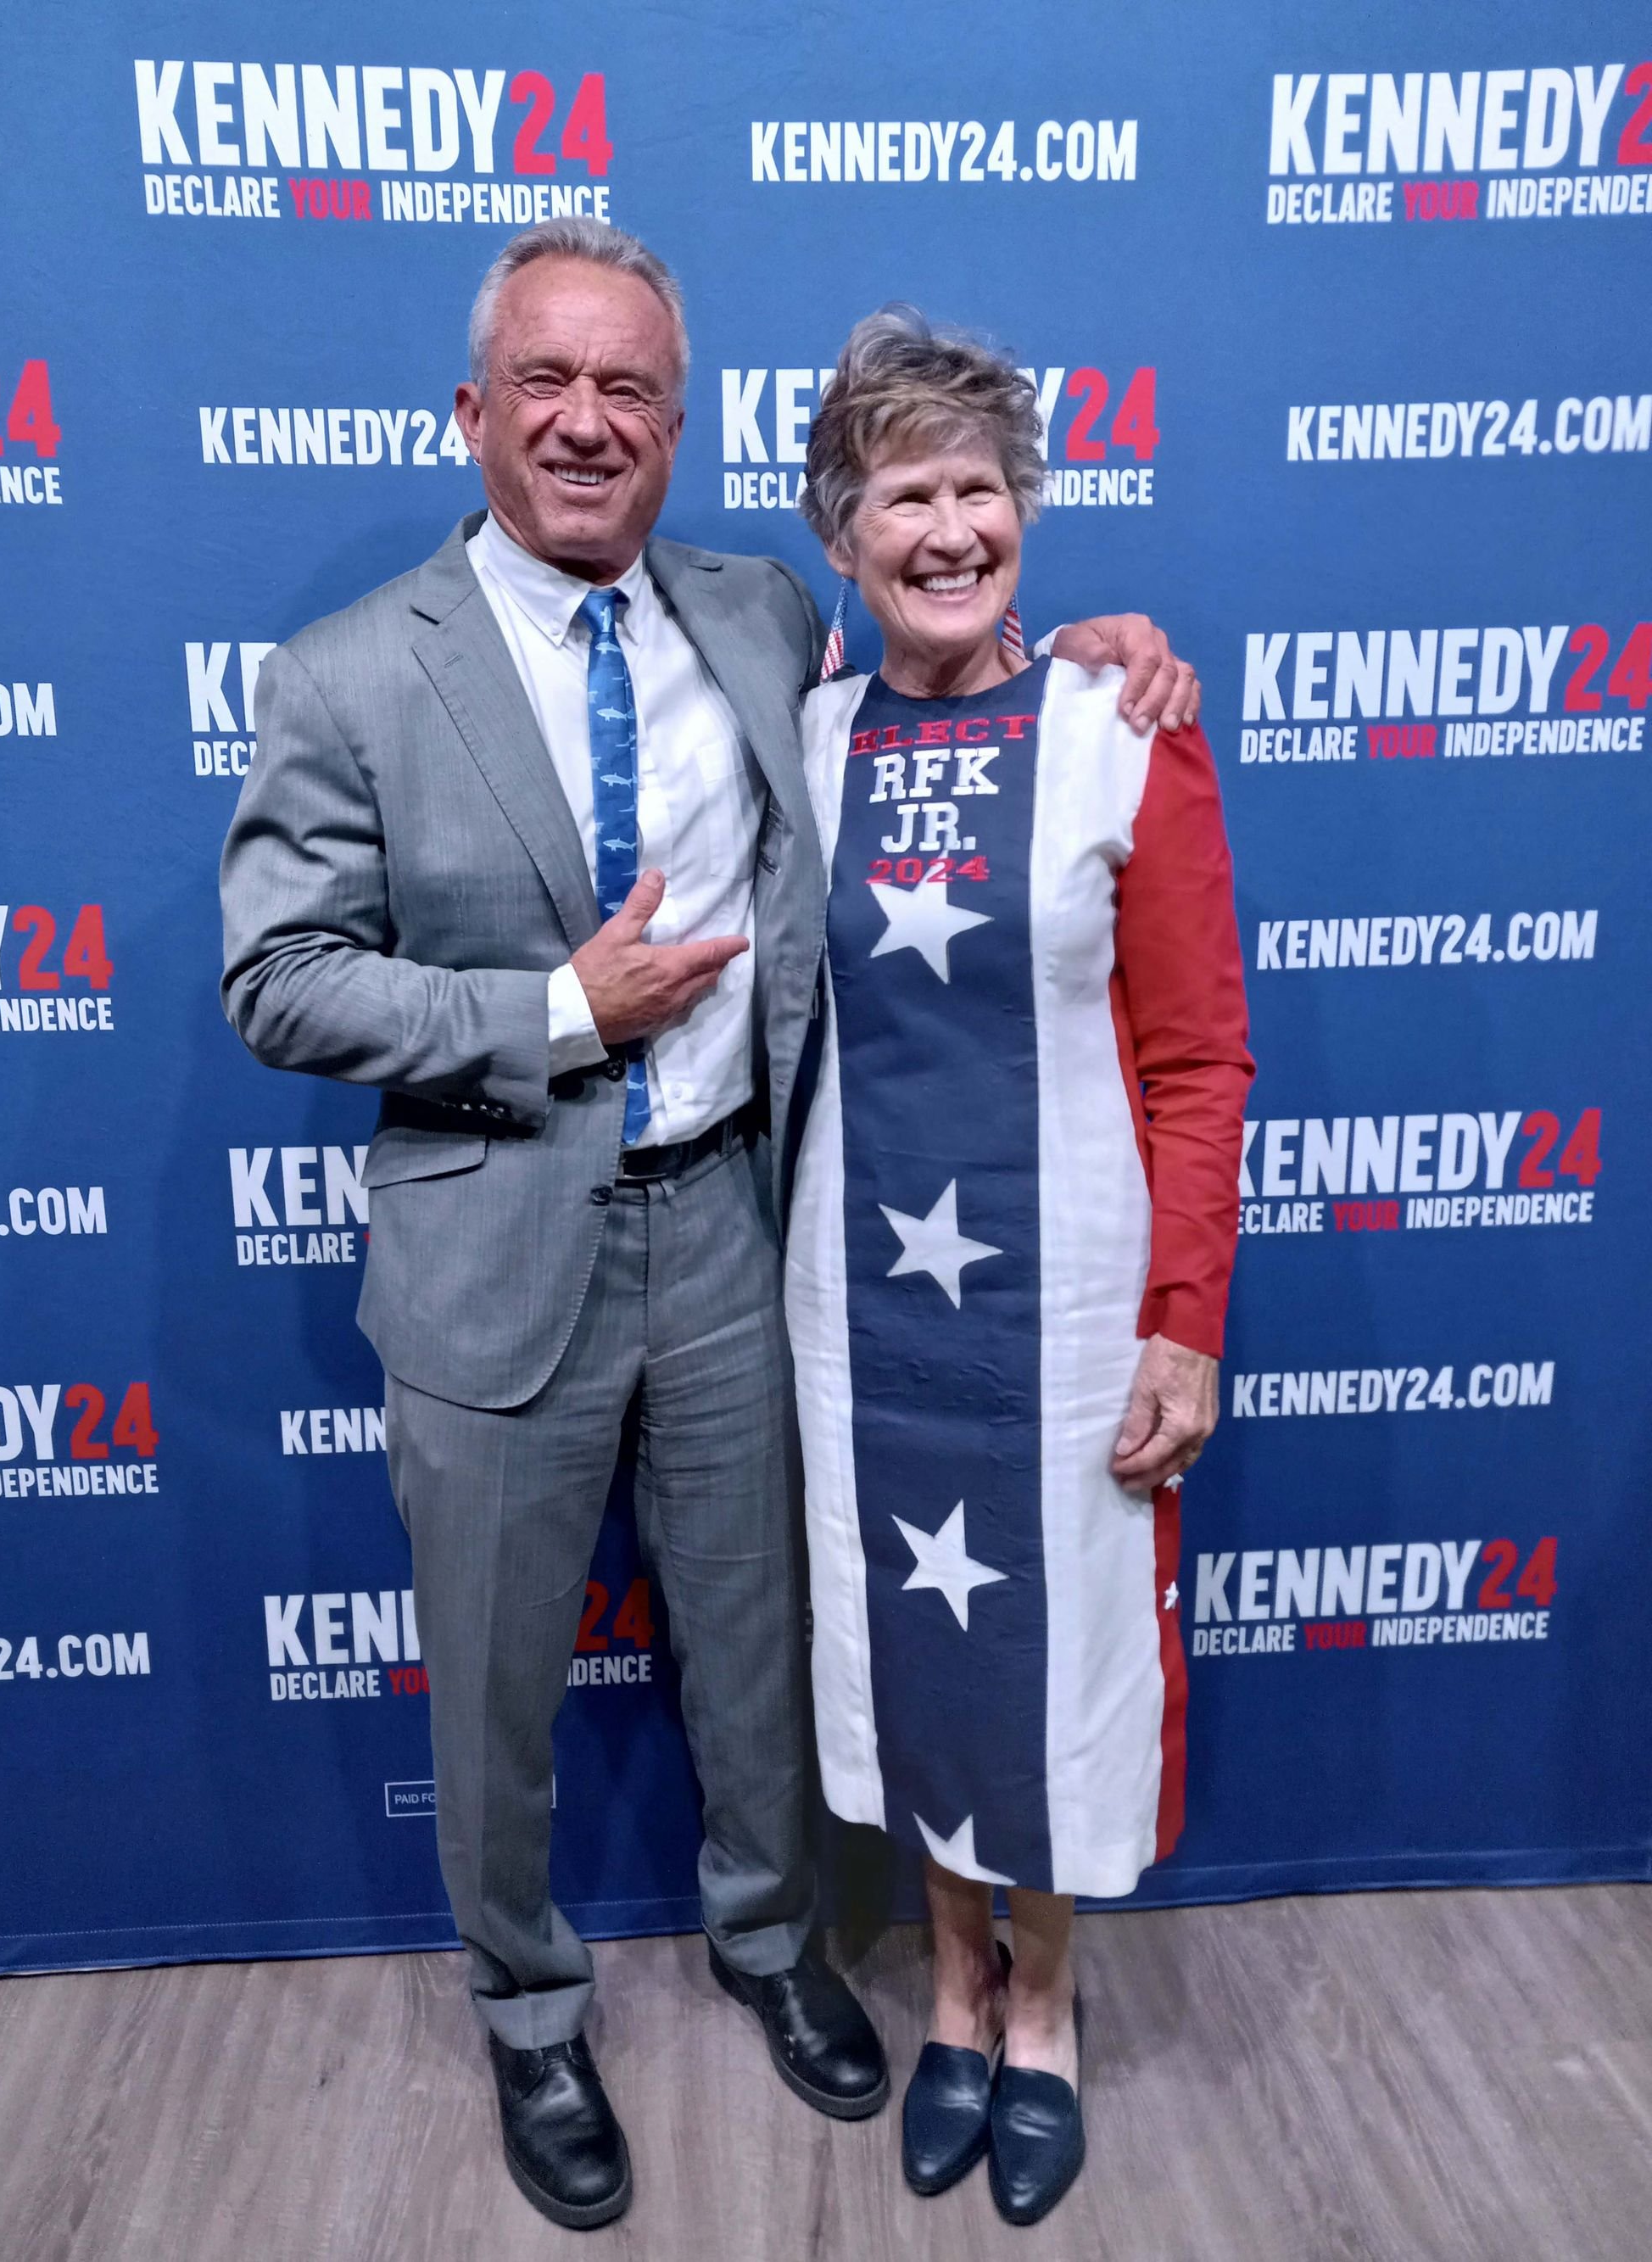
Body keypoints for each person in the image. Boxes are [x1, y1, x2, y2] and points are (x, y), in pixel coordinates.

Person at [219, 219, 1202, 2235]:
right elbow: (279, 981)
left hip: (749, 1245)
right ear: (474, 410)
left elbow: (962, 675)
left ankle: (771, 1942)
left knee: (755, 1644)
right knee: (493, 1689)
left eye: (632, 391)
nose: (589, 423)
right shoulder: (345, 672)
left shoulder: (761, 617)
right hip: (492, 1253)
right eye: (549, 386)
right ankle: (527, 2006)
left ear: (678, 424)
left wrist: (1114, 639)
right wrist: (559, 1009)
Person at [785, 308, 1253, 2227]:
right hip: (854, 1305)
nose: (950, 526)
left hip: (1067, 1310)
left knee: (1049, 1652)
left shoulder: (1120, 728)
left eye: (980, 485)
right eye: (908, 491)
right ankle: (952, 1992)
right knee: (915, 1647)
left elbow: (1202, 1055)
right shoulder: (798, 735)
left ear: (1028, 509)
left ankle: (1043, 2002)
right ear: (844, 528)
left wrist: (1186, 1326)